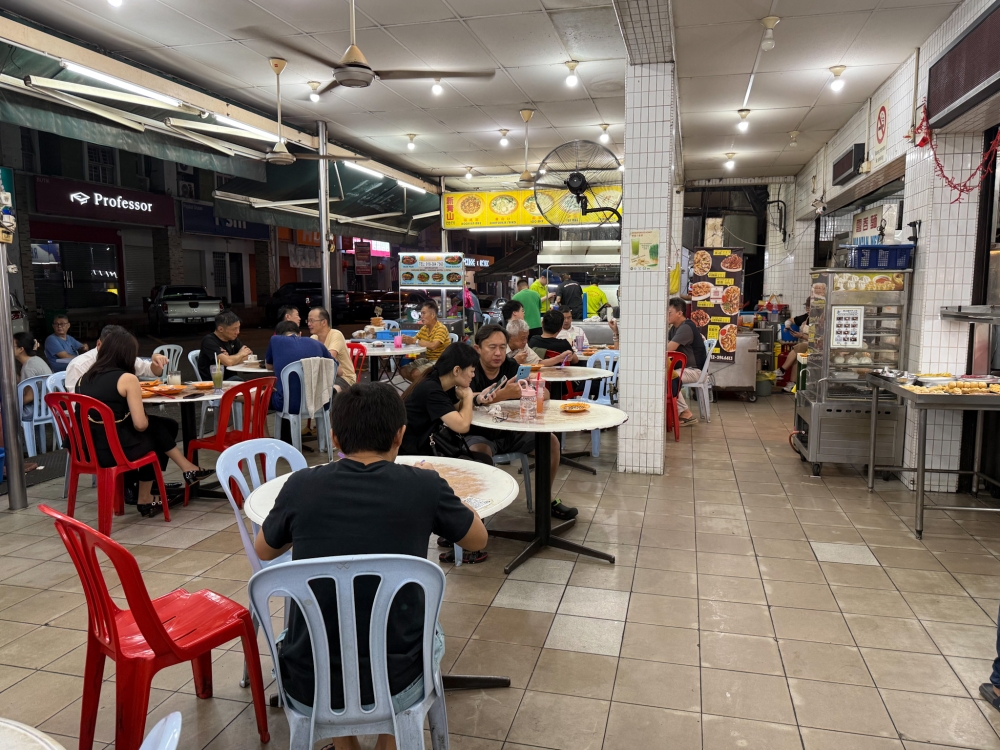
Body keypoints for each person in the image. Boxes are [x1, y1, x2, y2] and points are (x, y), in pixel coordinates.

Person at [255, 382, 487, 750]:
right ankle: (387, 741)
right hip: (400, 678)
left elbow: (264, 550)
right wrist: (458, 504)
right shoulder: (424, 486)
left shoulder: (301, 487)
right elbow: (477, 540)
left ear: (334, 437)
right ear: (400, 434)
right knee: (428, 631)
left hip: (310, 681)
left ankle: (345, 744)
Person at [77, 329, 212, 517]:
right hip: (113, 450)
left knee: (161, 426)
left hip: (86, 448)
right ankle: (147, 494)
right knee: (154, 431)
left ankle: (185, 470)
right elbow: (140, 424)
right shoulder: (127, 379)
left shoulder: (84, 378)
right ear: (127, 354)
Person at [467, 324, 578, 520]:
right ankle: (474, 515)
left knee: (551, 443)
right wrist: (502, 395)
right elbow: (466, 398)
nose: (498, 353)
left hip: (511, 431)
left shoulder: (512, 367)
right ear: (478, 349)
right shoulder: (470, 370)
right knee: (478, 452)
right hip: (479, 433)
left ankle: (546, 499)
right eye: (492, 347)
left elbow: (544, 394)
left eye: (502, 347)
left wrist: (535, 392)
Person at [66, 325, 169, 391]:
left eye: (119, 347)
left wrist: (156, 360)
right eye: (110, 347)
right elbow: (75, 402)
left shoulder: (122, 355)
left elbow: (151, 371)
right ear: (98, 344)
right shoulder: (79, 365)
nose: (115, 352)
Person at [265, 320, 336, 412]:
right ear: (299, 334)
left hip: (286, 404)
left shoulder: (275, 340)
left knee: (255, 396)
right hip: (320, 403)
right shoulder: (317, 343)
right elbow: (333, 365)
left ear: (277, 334)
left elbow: (268, 366)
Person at [667, 297, 707, 426]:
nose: (666, 316)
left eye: (669, 313)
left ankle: (685, 413)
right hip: (683, 369)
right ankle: (672, 411)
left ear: (680, 313)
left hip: (695, 370)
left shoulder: (686, 327)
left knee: (667, 378)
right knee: (666, 376)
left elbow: (668, 349)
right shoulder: (674, 328)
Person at [399, 300, 450, 381]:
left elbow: (433, 346)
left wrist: (414, 341)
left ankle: (422, 389)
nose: (421, 316)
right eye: (421, 313)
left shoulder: (441, 328)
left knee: (415, 374)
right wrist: (406, 339)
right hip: (427, 359)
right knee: (403, 370)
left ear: (432, 315)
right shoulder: (424, 328)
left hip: (440, 361)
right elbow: (414, 340)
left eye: (423, 313)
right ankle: (421, 388)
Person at [307, 307, 357, 387]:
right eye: (308, 321)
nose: (309, 324)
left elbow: (329, 359)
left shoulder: (336, 334)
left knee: (327, 389)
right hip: (325, 377)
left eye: (312, 321)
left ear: (323, 322)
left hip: (345, 378)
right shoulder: (313, 338)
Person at [198, 311, 253, 380]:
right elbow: (229, 362)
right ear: (221, 329)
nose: (238, 332)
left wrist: (230, 359)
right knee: (239, 381)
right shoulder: (209, 341)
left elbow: (249, 357)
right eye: (234, 329)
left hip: (231, 378)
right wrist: (240, 355)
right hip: (215, 382)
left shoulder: (233, 339)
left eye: (238, 328)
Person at [14, 332, 52, 420]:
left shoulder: (28, 367)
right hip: (48, 405)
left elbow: (29, 397)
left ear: (21, 349)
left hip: (38, 409)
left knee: (5, 414)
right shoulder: (36, 359)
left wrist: (11, 406)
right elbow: (24, 384)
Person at [776, 299, 810, 392]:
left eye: (810, 308)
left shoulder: (820, 320)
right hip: (803, 346)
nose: (808, 310)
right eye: (806, 307)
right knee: (798, 353)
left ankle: (782, 370)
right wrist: (787, 325)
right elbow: (789, 320)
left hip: (815, 347)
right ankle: (792, 383)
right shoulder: (805, 317)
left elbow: (819, 339)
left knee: (800, 347)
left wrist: (802, 336)